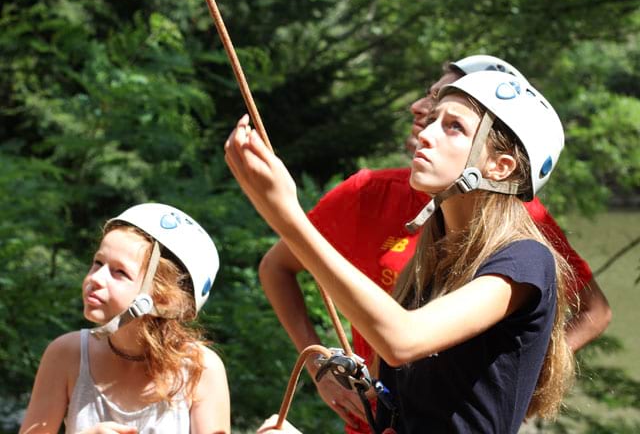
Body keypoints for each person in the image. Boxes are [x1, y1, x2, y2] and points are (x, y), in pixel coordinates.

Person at [258, 56, 611, 432]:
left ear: (501, 166)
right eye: (433, 117)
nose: (425, 131)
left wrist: (289, 217)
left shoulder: (525, 259)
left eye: (454, 126)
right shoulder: (430, 256)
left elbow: (402, 339)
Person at [19, 203, 230, 434]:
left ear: (164, 299)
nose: (95, 278)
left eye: (119, 272)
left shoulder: (200, 370)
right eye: (98, 263)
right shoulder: (66, 355)